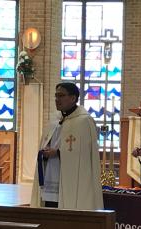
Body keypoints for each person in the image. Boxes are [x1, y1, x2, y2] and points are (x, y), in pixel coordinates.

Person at [31, 82, 103, 210]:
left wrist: (57, 153)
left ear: (73, 98)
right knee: (50, 209)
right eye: (56, 96)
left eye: (61, 95)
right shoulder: (55, 120)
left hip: (72, 178)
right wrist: (44, 152)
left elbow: (84, 156)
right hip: (51, 174)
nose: (57, 99)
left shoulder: (84, 121)